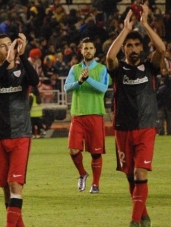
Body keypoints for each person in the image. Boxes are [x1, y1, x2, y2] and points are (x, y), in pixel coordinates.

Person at [106, 5, 166, 227]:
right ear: (124, 49)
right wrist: (126, 28)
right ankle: (144, 214)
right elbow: (109, 56)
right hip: (122, 127)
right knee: (130, 175)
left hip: (146, 126)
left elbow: (162, 51)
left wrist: (146, 25)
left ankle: (133, 221)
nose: (132, 48)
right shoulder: (118, 68)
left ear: (141, 47)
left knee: (141, 172)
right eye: (129, 45)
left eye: (136, 44)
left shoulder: (150, 66)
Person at [0, 33, 39, 227]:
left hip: (20, 135)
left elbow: (35, 79)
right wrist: (6, 62)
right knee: (5, 187)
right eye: (3, 46)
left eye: (10, 45)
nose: (8, 48)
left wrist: (21, 56)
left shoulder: (23, 71)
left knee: (15, 184)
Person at [64, 37, 109, 194]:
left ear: (95, 51)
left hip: (95, 114)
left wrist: (88, 79)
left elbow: (103, 89)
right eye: (85, 48)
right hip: (78, 114)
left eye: (91, 48)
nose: (88, 51)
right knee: (73, 149)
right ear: (81, 50)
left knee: (95, 152)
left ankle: (95, 184)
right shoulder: (75, 69)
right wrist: (80, 81)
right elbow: (67, 88)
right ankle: (82, 173)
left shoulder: (102, 69)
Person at [157, 69, 171, 135]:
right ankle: (163, 132)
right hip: (162, 104)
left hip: (167, 104)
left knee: (167, 119)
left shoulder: (169, 80)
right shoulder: (158, 79)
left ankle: (166, 132)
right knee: (162, 119)